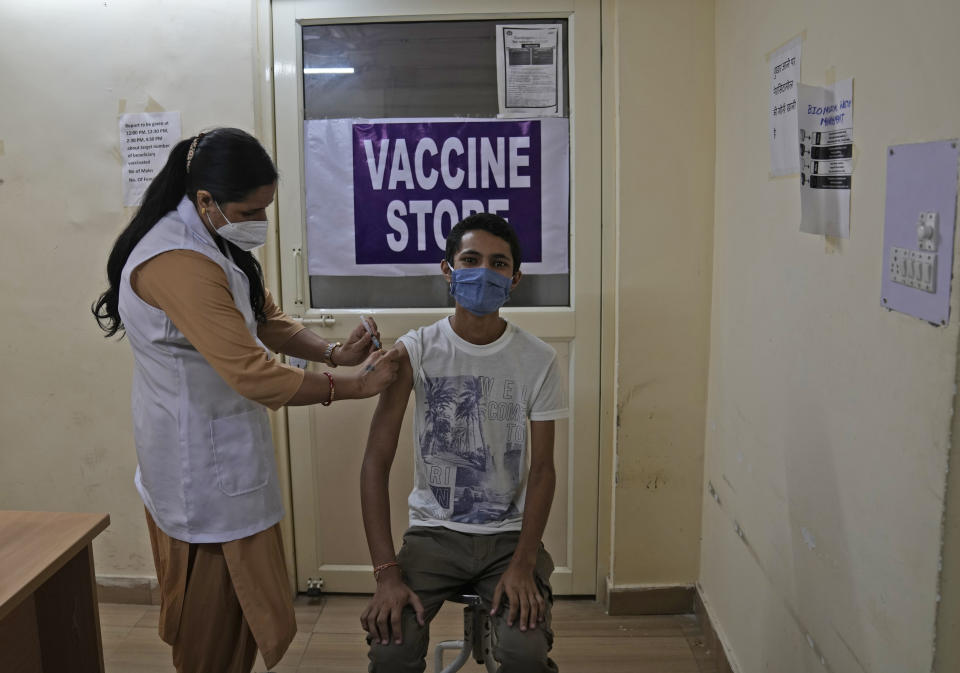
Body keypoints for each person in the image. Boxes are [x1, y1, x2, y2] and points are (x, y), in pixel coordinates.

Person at [93, 127, 400, 673]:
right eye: (249, 208)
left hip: (221, 452)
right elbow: (253, 373)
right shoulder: (175, 259)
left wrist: (333, 353)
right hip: (199, 472)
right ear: (205, 198)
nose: (258, 220)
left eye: (265, 208)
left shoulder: (214, 237)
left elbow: (264, 319)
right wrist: (354, 387)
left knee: (240, 621)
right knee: (212, 630)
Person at [359, 213, 567, 672]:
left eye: (498, 263)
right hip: (433, 535)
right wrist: (385, 573)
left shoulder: (538, 359)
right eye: (471, 260)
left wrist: (524, 562)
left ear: (515, 279)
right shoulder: (416, 352)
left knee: (525, 652)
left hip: (508, 539)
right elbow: (375, 462)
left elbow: (543, 470)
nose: (484, 272)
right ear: (447, 270)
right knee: (391, 647)